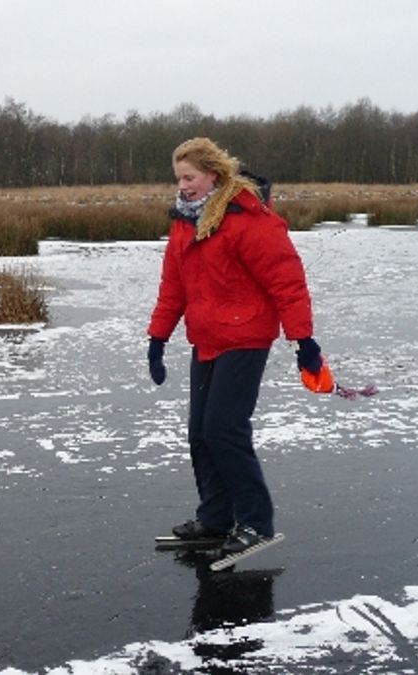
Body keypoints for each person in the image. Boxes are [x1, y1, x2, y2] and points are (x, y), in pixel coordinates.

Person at [146, 137, 324, 557]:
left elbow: (287, 281)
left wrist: (304, 341)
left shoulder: (248, 218)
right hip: (206, 339)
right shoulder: (184, 222)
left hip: (246, 337)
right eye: (179, 178)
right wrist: (157, 338)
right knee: (200, 433)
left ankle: (256, 522)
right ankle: (216, 517)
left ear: (214, 174)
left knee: (224, 430)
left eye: (189, 177)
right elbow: (173, 287)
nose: (183, 185)